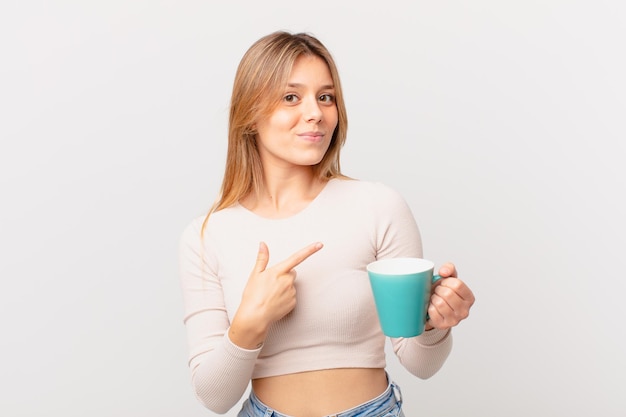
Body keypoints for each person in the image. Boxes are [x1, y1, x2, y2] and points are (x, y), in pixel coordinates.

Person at [178, 31, 475, 417]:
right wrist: (250, 322)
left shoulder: (378, 206)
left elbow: (421, 363)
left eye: (326, 96)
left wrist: (437, 323)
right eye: (291, 97)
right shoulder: (205, 237)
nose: (316, 112)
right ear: (250, 112)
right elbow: (214, 398)